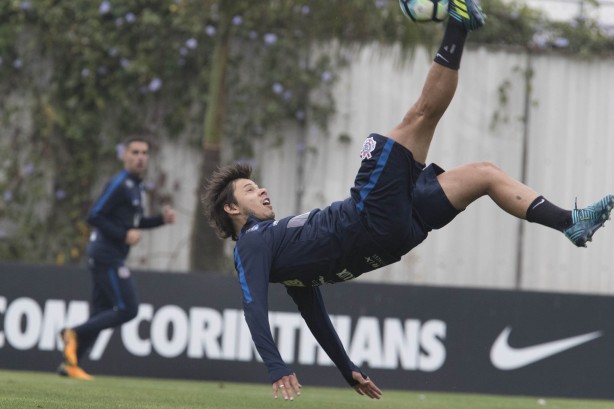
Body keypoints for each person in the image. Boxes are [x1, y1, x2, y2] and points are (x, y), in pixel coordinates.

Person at [201, 1, 613, 402]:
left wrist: (348, 369)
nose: (261, 190)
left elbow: (315, 315)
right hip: (367, 216)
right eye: (249, 191)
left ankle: (568, 222)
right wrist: (276, 366)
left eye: (257, 185)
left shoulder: (289, 263)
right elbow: (253, 305)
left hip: (394, 237)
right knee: (418, 117)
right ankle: (458, 20)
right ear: (232, 210)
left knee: (484, 174)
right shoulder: (253, 243)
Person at [58, 137, 176, 380]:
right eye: (135, 152)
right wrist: (123, 235)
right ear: (124, 155)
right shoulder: (120, 183)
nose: (140, 156)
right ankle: (73, 333)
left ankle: (72, 364)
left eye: (144, 152)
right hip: (105, 254)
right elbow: (95, 216)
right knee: (128, 309)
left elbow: (135, 223)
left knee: (101, 310)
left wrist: (161, 220)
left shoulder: (136, 186)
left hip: (109, 254)